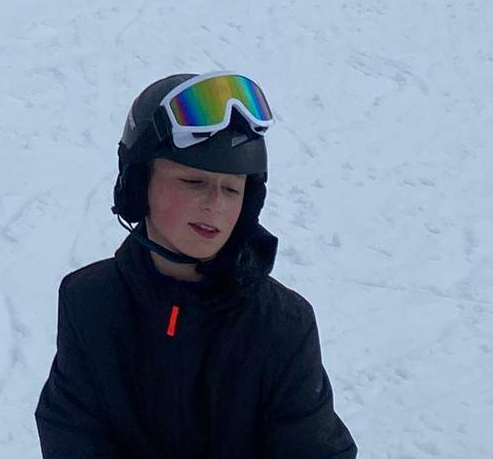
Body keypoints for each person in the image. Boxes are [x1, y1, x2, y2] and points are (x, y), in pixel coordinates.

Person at [36, 71, 357, 457]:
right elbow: (72, 432)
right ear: (138, 184)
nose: (215, 205)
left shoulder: (281, 326)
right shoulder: (90, 303)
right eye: (193, 182)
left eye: (232, 189)